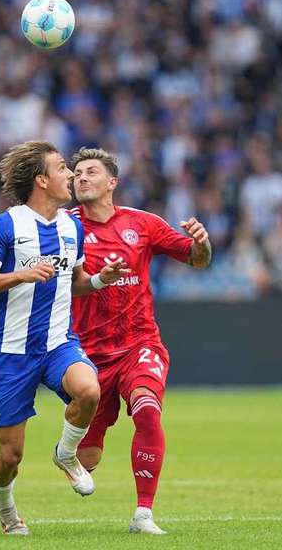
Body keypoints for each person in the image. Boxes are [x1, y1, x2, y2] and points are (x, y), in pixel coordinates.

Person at [0, 140, 130, 536]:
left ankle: (65, 453)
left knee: (89, 391)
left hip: (59, 343)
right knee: (10, 457)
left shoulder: (70, 225)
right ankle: (5, 504)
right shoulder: (6, 225)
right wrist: (20, 275)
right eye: (62, 168)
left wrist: (98, 280)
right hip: (14, 351)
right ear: (41, 180)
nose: (71, 174)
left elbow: (73, 282)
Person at [69, 148, 212, 534]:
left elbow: (197, 259)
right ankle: (66, 452)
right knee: (88, 456)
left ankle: (143, 514)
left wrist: (200, 243)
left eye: (90, 172)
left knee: (148, 410)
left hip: (139, 344)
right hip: (88, 354)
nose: (81, 178)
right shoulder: (64, 228)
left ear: (111, 182)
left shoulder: (143, 224)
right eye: (77, 173)